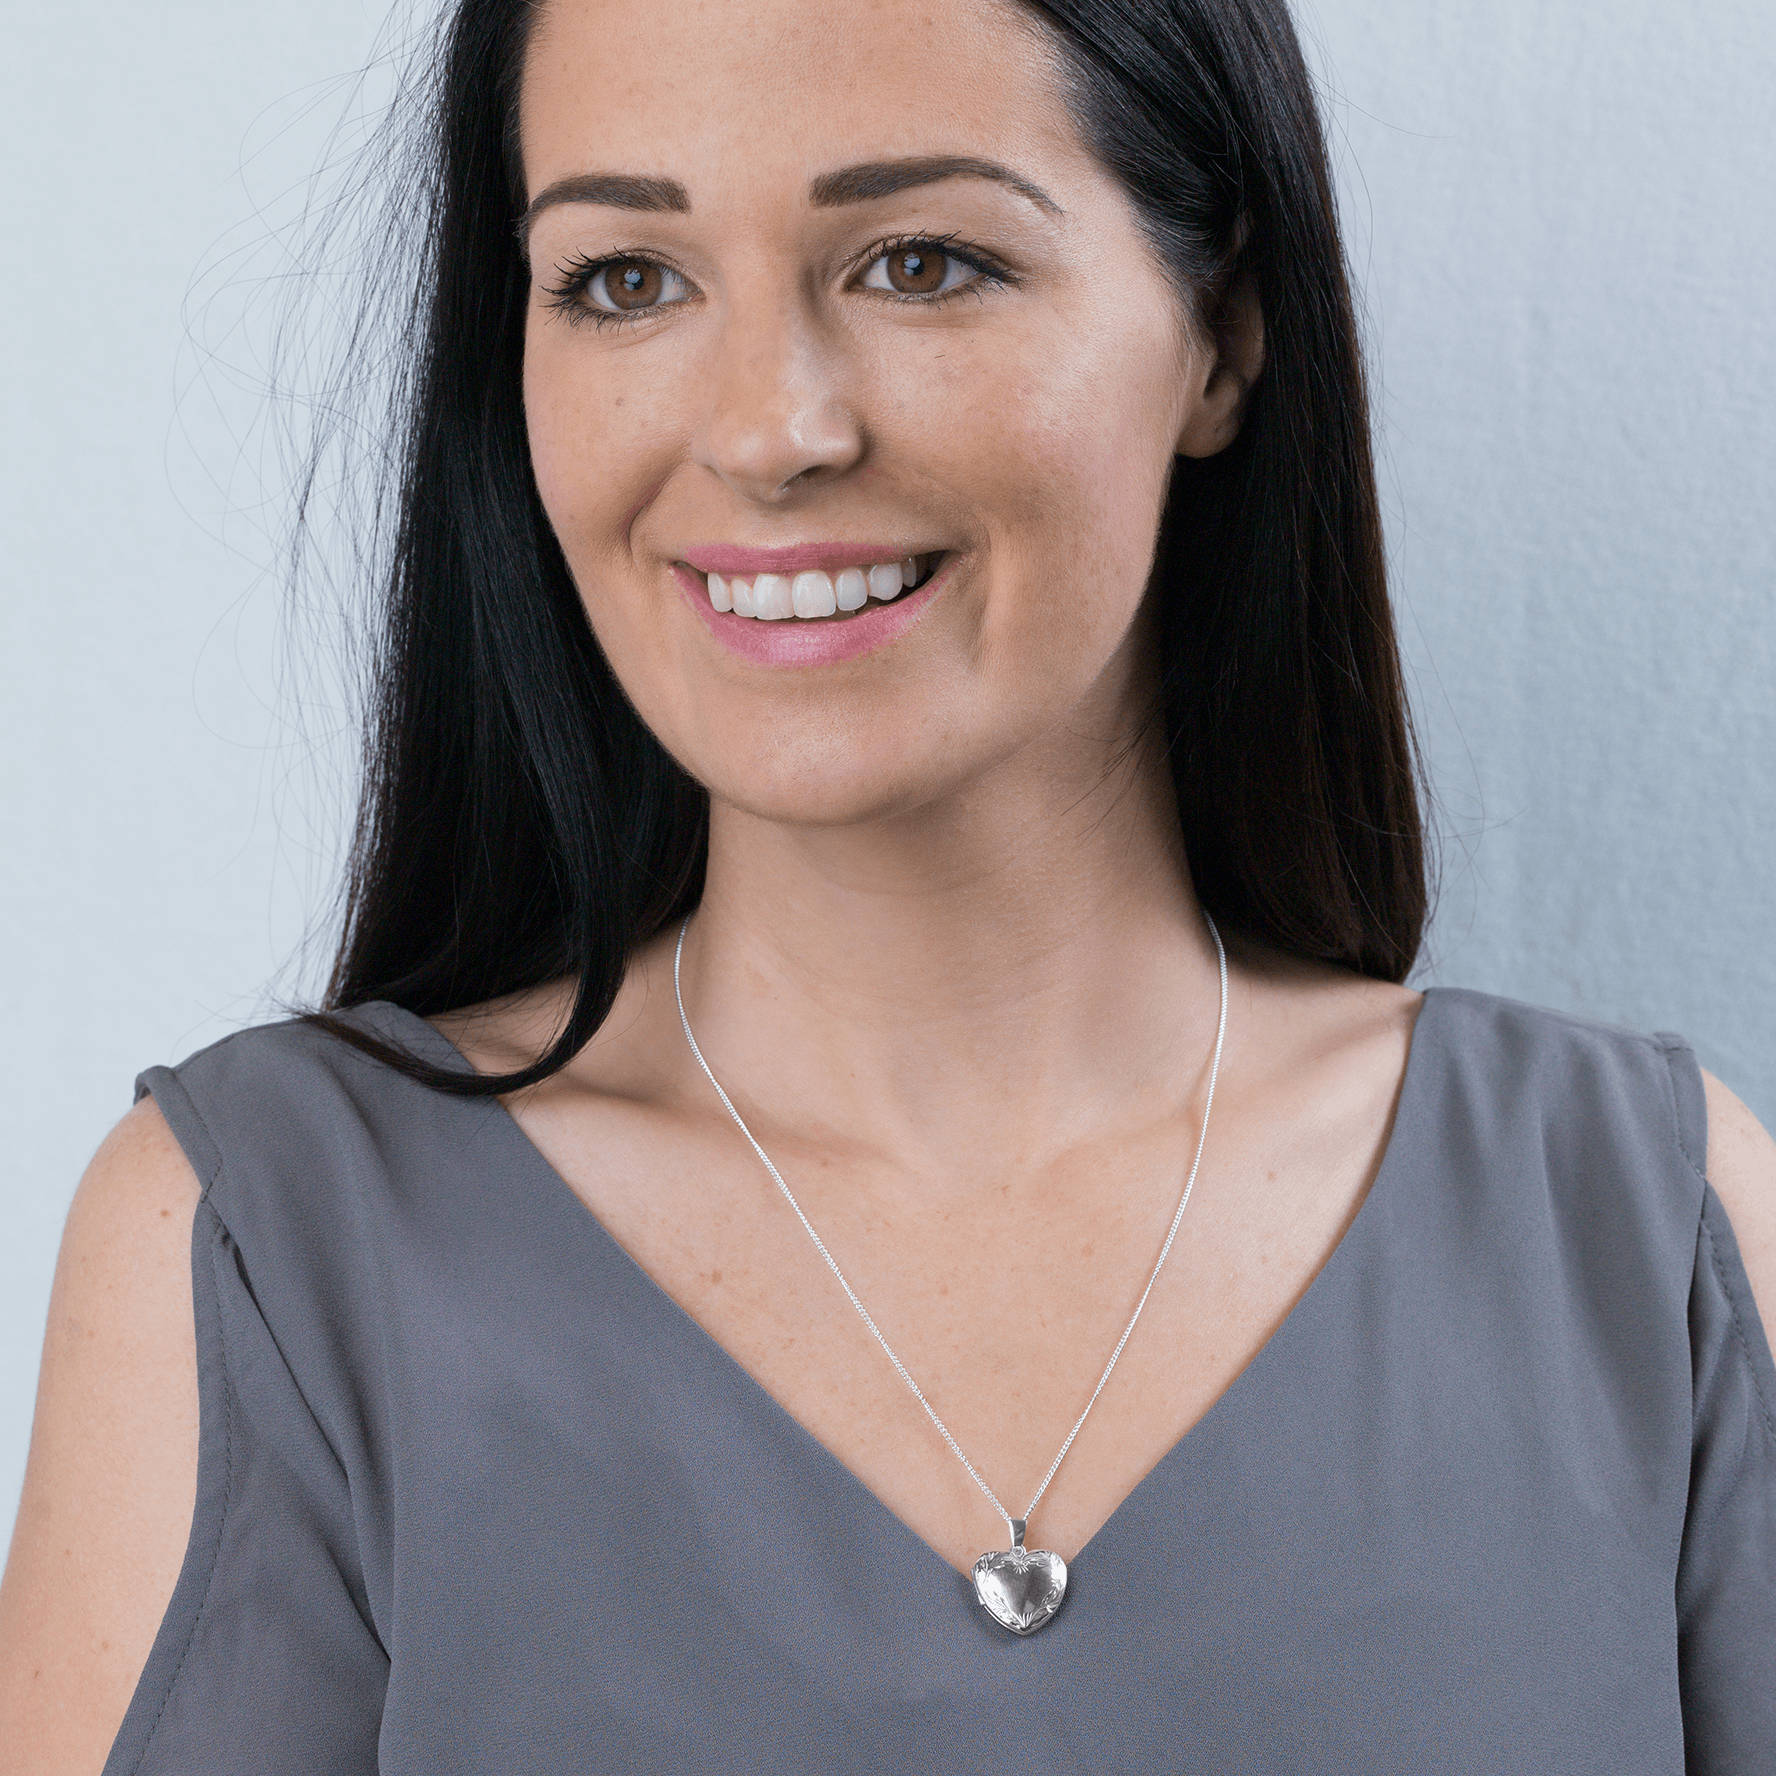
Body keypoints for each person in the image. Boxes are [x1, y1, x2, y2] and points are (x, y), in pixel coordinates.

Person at [3, 0, 1772, 1767]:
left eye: (922, 260)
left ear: (1222, 335)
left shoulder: (1658, 1238)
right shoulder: (254, 1254)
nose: (770, 431)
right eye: (624, 278)